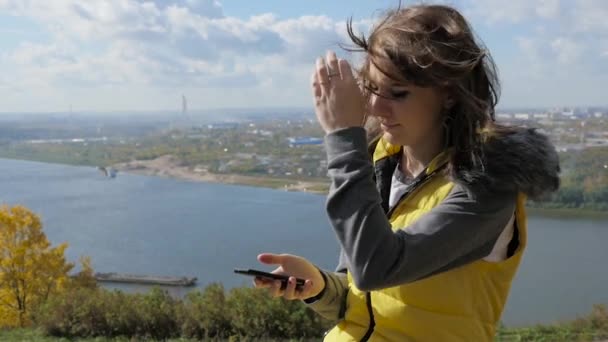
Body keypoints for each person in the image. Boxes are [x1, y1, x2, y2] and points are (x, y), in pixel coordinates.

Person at [253, 4, 560, 341]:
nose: (374, 107)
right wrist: (318, 285)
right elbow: (361, 302)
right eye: (371, 89)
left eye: (397, 93)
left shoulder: (485, 187)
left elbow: (377, 268)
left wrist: (343, 139)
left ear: (449, 94)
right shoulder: (381, 164)